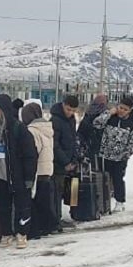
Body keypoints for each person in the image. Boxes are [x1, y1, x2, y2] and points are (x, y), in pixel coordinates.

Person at [0, 94, 38, 250]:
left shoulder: (18, 129)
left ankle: (22, 233)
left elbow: (30, 155)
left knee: (22, 206)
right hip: (0, 175)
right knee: (3, 206)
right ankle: (6, 233)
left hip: (18, 175)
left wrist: (29, 178)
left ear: (4, 110)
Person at [93, 96, 133, 212]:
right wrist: (109, 113)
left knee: (118, 179)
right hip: (105, 155)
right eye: (120, 107)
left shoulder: (132, 124)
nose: (122, 111)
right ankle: (103, 200)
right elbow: (97, 123)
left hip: (120, 158)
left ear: (129, 111)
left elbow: (132, 142)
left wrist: (126, 155)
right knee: (104, 179)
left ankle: (120, 202)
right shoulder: (110, 118)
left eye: (125, 109)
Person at [22, 102, 55, 239]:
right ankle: (47, 227)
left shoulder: (32, 131)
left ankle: (35, 229)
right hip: (47, 170)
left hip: (38, 171)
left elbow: (33, 152)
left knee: (34, 202)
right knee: (44, 202)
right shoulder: (46, 128)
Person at [50, 95, 80, 231]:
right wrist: (65, 161)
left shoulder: (72, 120)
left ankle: (59, 217)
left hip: (69, 161)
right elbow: (54, 145)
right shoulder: (55, 120)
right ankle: (55, 220)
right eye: (68, 109)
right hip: (58, 163)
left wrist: (74, 158)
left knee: (63, 191)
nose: (70, 113)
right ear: (63, 105)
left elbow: (73, 140)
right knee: (56, 192)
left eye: (73, 111)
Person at [78, 94, 108, 164]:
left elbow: (80, 134)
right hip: (97, 149)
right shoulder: (106, 115)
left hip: (90, 148)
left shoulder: (88, 113)